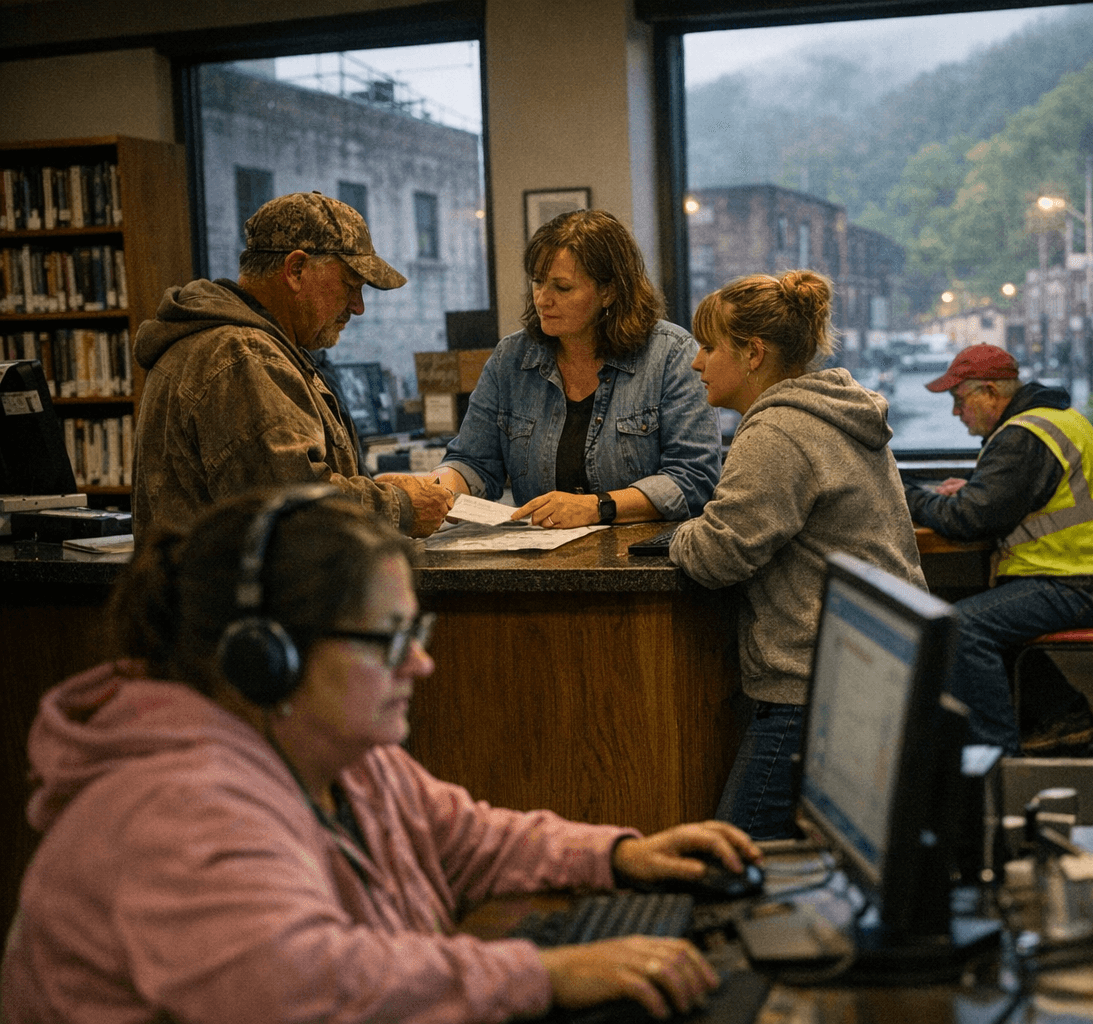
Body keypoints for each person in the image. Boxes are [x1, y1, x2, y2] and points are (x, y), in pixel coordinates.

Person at [1, 486, 760, 1023]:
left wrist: (621, 857)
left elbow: (460, 837)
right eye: (388, 642)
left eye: (414, 636)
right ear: (270, 658)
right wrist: (542, 974)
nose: (420, 667)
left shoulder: (333, 752)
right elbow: (301, 990)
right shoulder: (177, 807)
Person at [669, 271, 925, 841]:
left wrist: (680, 531)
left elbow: (716, 554)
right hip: (866, 668)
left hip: (810, 690)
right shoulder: (831, 412)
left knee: (737, 858)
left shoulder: (777, 434)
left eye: (709, 348)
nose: (696, 363)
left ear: (753, 353)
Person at [132, 191, 454, 542]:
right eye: (350, 286)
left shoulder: (238, 346)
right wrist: (400, 507)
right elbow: (296, 509)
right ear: (296, 269)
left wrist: (368, 487)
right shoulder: (241, 356)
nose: (358, 307)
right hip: (237, 595)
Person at [408, 210, 720, 529]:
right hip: (544, 560)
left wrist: (598, 507)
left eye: (563, 288)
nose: (543, 299)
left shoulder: (670, 354)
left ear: (608, 291)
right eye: (538, 282)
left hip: (643, 564)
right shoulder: (512, 359)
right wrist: (433, 489)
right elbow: (473, 463)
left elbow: (693, 480)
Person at [905, 344, 1093, 756]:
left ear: (991, 393)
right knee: (971, 611)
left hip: (1084, 582)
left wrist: (906, 497)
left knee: (961, 626)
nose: (956, 414)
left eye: (960, 401)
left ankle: (996, 754)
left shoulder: (1022, 436)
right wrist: (976, 491)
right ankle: (1062, 716)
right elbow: (1002, 497)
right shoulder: (1050, 420)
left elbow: (969, 520)